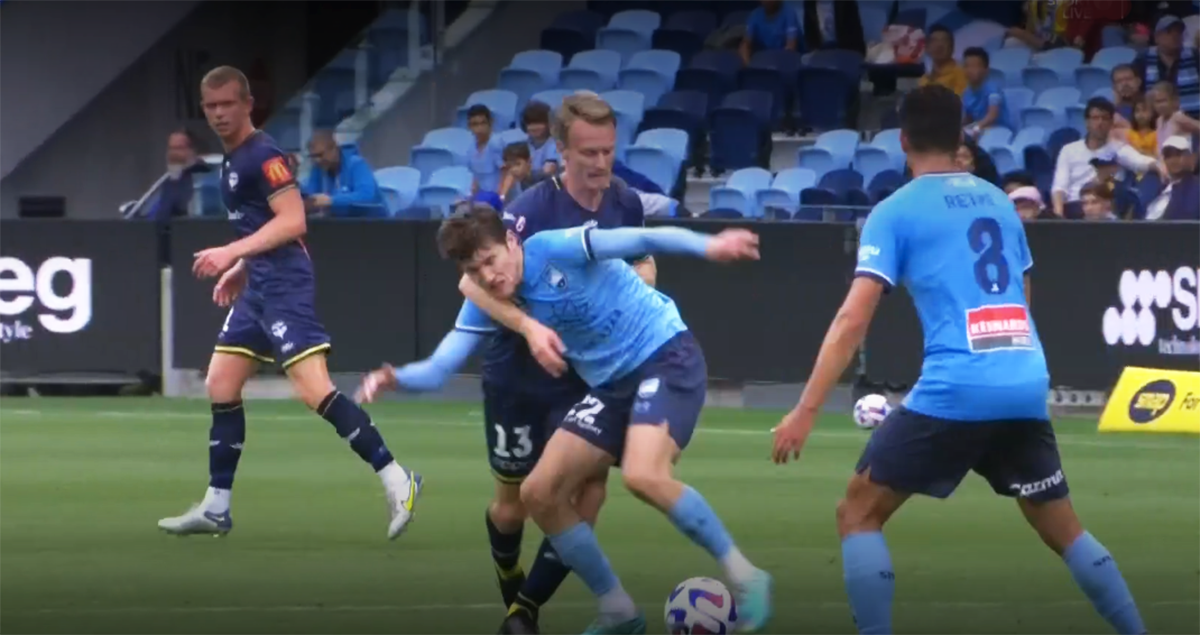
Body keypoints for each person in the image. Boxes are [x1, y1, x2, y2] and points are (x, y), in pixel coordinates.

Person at [770, 84, 1148, 635]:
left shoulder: (894, 212)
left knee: (857, 512)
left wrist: (805, 410)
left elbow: (853, 320)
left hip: (958, 385)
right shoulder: (999, 200)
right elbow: (1024, 293)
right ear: (961, 138)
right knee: (1065, 531)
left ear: (902, 140)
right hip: (1023, 377)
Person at [366, 92, 660, 635]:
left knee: (589, 489)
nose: (600, 163)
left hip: (584, 373)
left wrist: (626, 297)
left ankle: (524, 611)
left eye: (608, 151)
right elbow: (475, 282)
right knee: (513, 504)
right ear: (563, 152)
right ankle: (511, 578)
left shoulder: (626, 202)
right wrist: (529, 327)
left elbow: (644, 265)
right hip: (517, 377)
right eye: (588, 153)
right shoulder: (528, 211)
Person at [437, 207, 773, 635]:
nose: (487, 275)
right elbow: (468, 286)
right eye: (476, 268)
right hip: (612, 386)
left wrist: (710, 245)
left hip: (665, 355)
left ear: (512, 242)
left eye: (491, 260)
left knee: (643, 475)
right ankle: (618, 609)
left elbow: (642, 239)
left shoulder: (557, 247)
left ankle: (747, 576)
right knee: (538, 492)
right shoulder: (494, 286)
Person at [157, 66, 422, 539]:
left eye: (226, 105)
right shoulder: (232, 158)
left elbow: (294, 220)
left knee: (314, 391)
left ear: (246, 105)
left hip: (284, 287)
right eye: (210, 107)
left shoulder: (264, 155)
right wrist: (242, 267)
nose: (219, 114)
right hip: (258, 283)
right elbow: (261, 224)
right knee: (220, 382)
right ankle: (217, 506)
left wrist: (231, 253)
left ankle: (397, 479)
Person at [301, 130, 387, 218]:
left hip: (373, 222)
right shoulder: (318, 168)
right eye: (313, 156)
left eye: (320, 155)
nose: (317, 160)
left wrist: (331, 200)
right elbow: (311, 197)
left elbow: (366, 195)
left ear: (334, 149)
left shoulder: (356, 163)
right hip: (341, 224)